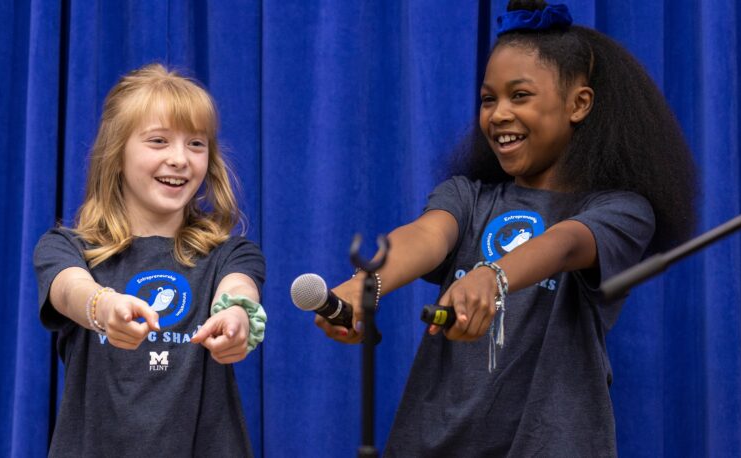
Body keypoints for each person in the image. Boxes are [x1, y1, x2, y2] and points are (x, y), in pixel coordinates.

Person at [314, 1, 696, 456]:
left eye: (520, 96)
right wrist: (368, 283)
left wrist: (492, 276)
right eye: (488, 99)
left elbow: (566, 244)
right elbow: (426, 236)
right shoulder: (469, 196)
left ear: (579, 104)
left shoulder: (621, 210)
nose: (497, 115)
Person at [34, 64, 266, 456]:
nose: (179, 158)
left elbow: (240, 287)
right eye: (158, 141)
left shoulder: (231, 253)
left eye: (196, 144)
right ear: (116, 153)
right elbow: (69, 289)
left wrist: (238, 315)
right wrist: (102, 305)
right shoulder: (67, 248)